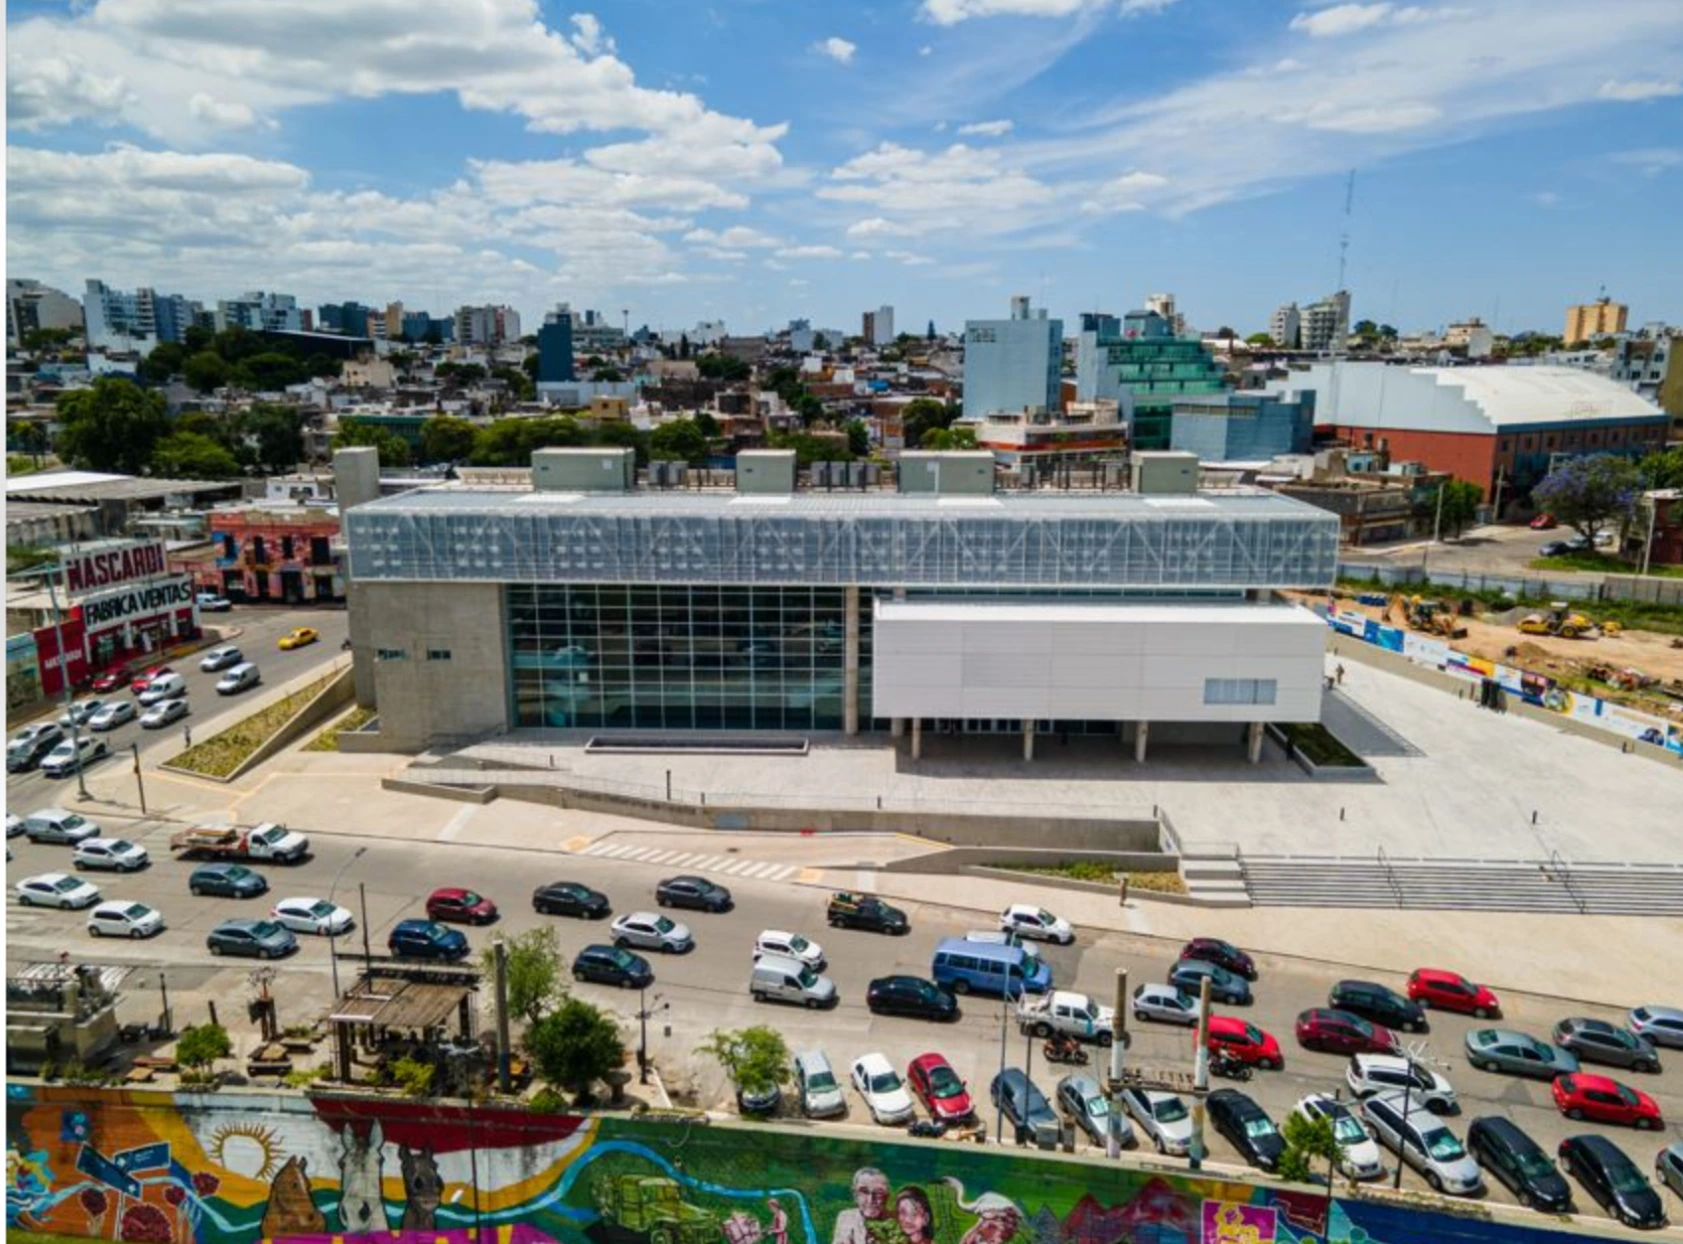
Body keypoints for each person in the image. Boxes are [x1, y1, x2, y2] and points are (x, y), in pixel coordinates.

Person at [832, 1169, 890, 1244]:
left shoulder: (897, 1221)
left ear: (887, 1197)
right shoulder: (846, 1217)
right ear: (855, 1195)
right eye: (864, 1192)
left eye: (878, 1193)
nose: (870, 1200)